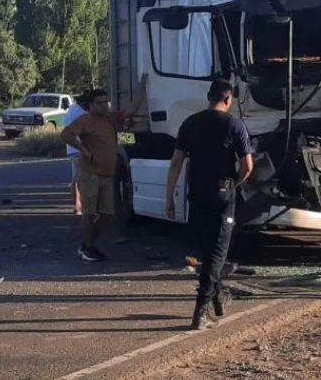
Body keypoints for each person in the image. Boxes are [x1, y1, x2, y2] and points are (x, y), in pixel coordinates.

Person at [165, 79, 254, 331]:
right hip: (222, 194)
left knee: (206, 248)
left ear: (208, 97)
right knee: (217, 253)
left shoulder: (189, 124)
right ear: (228, 100)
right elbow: (247, 166)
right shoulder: (235, 125)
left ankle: (218, 298)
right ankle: (200, 311)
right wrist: (234, 184)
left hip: (197, 193)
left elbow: (176, 163)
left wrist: (169, 197)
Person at [60, 78, 147, 262]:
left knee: (108, 215)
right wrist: (83, 149)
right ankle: (88, 246)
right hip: (89, 173)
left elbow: (131, 109)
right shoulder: (85, 120)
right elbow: (66, 134)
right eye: (98, 103)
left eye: (105, 102)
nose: (103, 106)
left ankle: (87, 243)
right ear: (90, 105)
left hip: (107, 174)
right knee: (89, 213)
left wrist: (142, 87)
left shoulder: (111, 118)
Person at [64, 92, 90, 215]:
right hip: (79, 149)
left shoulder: (71, 109)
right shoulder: (80, 113)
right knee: (79, 179)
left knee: (77, 177)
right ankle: (78, 205)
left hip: (72, 149)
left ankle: (78, 204)